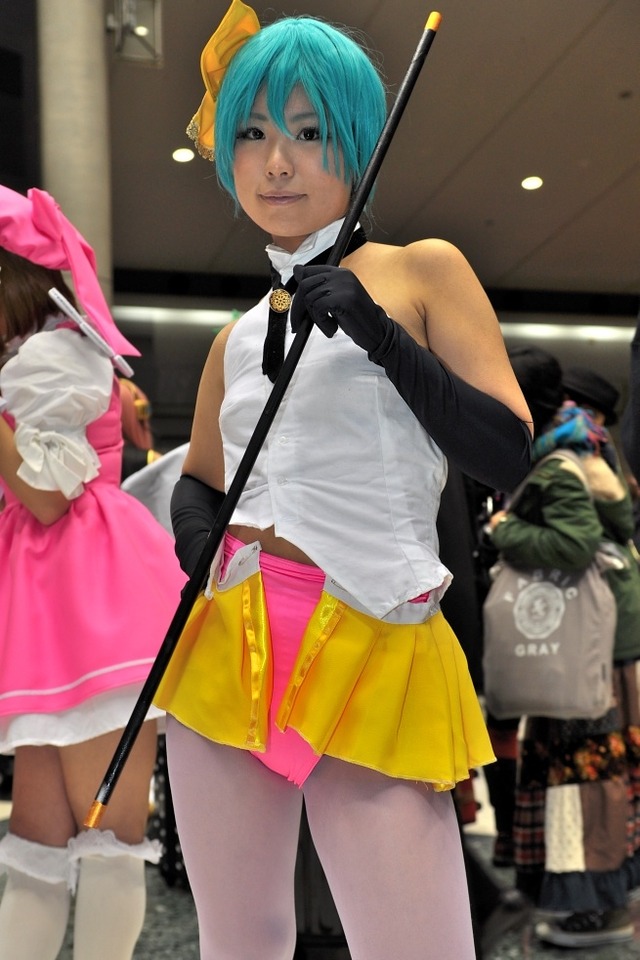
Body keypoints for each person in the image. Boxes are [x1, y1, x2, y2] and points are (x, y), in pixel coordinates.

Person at [153, 4, 532, 958]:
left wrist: (381, 336)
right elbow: (199, 483)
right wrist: (200, 547)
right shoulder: (236, 336)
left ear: (359, 141)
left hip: (373, 638)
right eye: (252, 134)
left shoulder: (423, 271)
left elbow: (506, 452)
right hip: (229, 641)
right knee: (238, 943)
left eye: (309, 131)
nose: (277, 162)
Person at [0, 185, 186, 960]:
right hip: (50, 605)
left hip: (89, 598)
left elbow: (47, 495)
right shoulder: (30, 355)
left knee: (107, 835)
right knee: (36, 846)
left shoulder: (55, 356)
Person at [487, 345, 640, 948]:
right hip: (603, 641)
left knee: (581, 776)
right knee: (598, 773)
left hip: (582, 646)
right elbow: (616, 527)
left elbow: (575, 545)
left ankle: (590, 903)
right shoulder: (589, 450)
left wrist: (505, 530)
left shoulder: (556, 466)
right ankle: (601, 896)